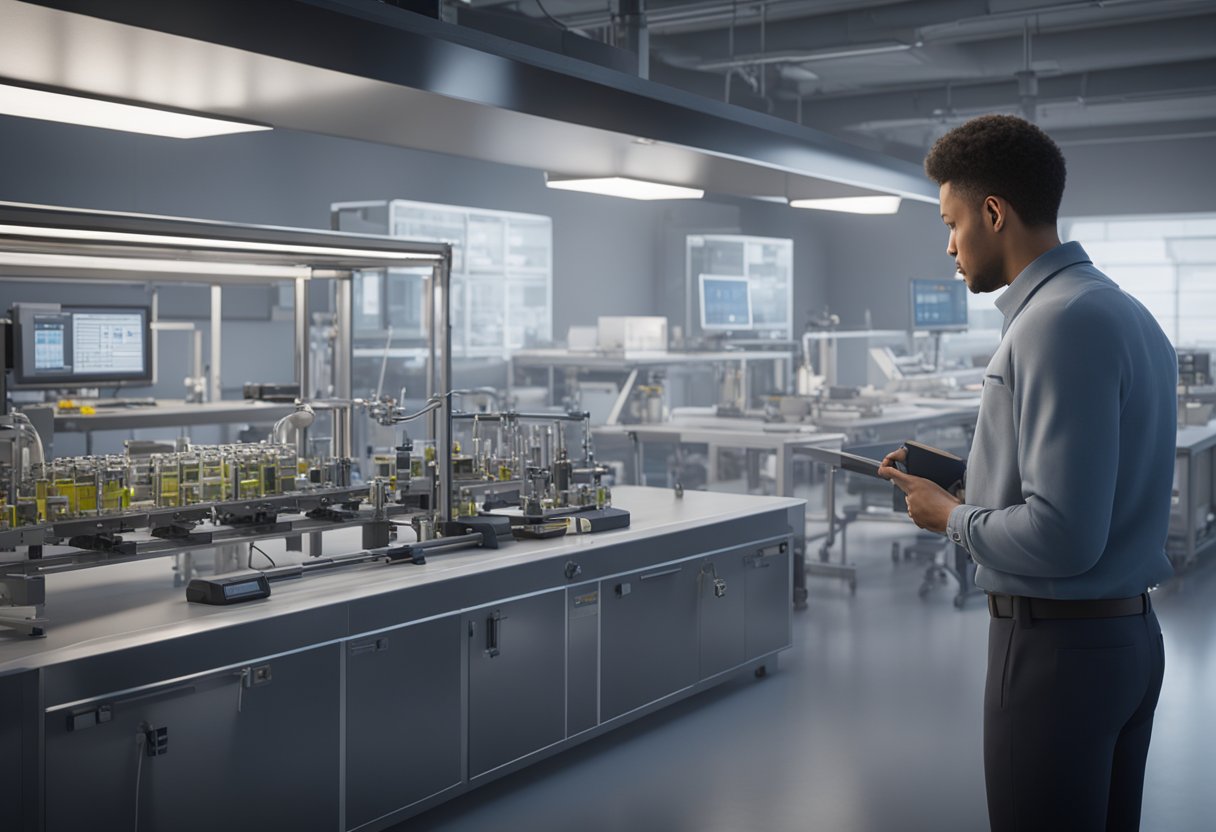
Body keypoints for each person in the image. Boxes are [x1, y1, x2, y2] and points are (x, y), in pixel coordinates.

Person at [878, 114, 1175, 832]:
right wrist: (965, 479)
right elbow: (1089, 482)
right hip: (1126, 642)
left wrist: (949, 517)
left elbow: (1065, 535)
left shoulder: (1053, 324)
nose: (949, 246)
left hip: (1056, 654)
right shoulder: (1124, 312)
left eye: (951, 223)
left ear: (993, 212)